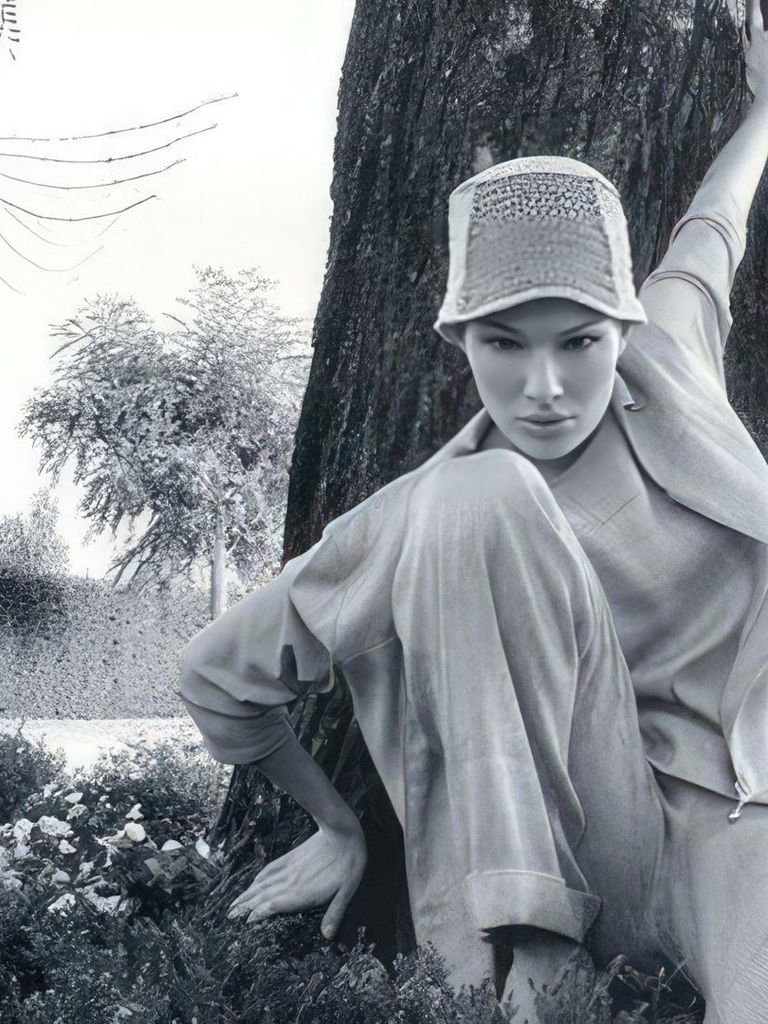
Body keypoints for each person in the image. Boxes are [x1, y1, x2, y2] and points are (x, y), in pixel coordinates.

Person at [179, 4, 768, 1021]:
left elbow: (711, 229)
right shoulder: (430, 513)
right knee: (478, 494)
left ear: (623, 327)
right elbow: (217, 680)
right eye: (504, 342)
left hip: (750, 820)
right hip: (602, 852)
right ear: (459, 341)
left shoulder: (669, 360)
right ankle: (535, 959)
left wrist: (764, 112)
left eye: (579, 341)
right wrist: (337, 829)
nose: (545, 386)